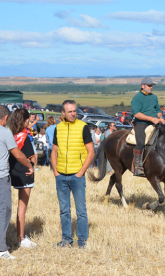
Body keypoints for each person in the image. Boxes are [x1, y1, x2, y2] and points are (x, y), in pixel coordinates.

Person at [0, 105, 33, 259]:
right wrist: (29, 166)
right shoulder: (4, 132)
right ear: (6, 118)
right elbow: (18, 154)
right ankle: (0, 248)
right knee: (4, 211)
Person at [51, 100, 95, 249]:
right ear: (62, 113)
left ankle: (82, 240)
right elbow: (54, 151)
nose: (73, 114)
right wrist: (56, 171)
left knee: (81, 210)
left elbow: (91, 152)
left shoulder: (83, 127)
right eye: (69, 111)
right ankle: (66, 239)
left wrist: (81, 172)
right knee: (64, 210)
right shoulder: (58, 128)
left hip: (77, 175)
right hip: (61, 176)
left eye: (74, 111)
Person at [9, 109, 37, 248]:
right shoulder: (25, 136)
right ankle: (20, 238)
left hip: (10, 172)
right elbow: (32, 157)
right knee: (22, 208)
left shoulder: (10, 134)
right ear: (25, 121)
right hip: (26, 173)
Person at [131, 77, 165, 176]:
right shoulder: (137, 98)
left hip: (155, 122)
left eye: (152, 86)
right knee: (141, 142)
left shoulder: (154, 97)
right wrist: (151, 119)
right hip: (141, 124)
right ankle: (137, 167)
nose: (151, 88)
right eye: (149, 86)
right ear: (143, 86)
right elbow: (136, 114)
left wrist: (161, 117)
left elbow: (158, 111)